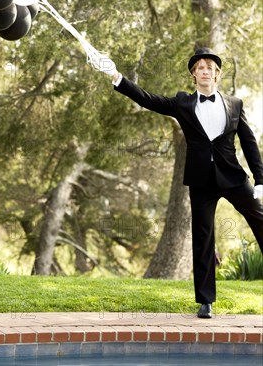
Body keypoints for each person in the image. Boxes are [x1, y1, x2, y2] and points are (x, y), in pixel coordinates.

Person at [99, 47, 263, 318]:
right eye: (200, 68)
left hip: (233, 176)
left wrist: (260, 179)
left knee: (259, 219)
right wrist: (117, 77)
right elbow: (148, 100)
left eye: (210, 67)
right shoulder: (183, 103)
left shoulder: (235, 103)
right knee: (203, 237)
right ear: (194, 75)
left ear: (217, 74)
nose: (205, 71)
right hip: (201, 181)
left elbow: (249, 142)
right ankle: (206, 301)